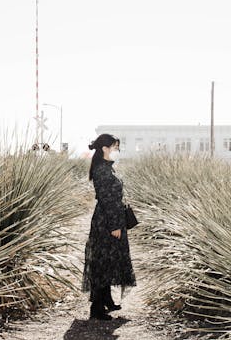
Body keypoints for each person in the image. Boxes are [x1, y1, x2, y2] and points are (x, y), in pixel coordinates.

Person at [81, 133, 137, 321]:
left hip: (112, 219)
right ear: (105, 148)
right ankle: (97, 308)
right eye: (114, 147)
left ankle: (107, 300)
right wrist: (114, 225)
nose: (117, 150)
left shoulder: (106, 167)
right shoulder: (102, 170)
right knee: (103, 262)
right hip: (107, 222)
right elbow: (106, 200)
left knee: (110, 260)